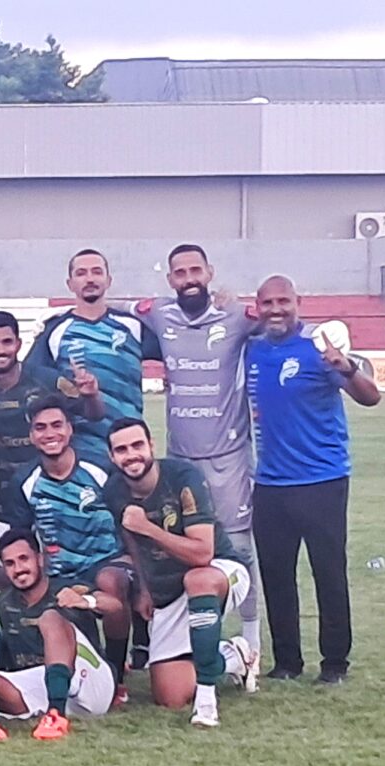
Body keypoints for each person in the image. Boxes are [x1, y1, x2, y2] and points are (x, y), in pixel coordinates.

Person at [245, 275, 382, 684]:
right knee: (276, 575)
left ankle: (335, 663)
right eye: (268, 302)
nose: (276, 309)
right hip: (270, 483)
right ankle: (287, 662)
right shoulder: (253, 349)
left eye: (283, 301)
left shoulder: (319, 347)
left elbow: (370, 397)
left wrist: (347, 367)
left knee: (328, 572)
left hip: (322, 480)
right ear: (258, 306)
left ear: (297, 303)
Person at [139, 243, 263, 653]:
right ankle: (186, 638)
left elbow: (278, 319)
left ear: (210, 273)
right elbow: (119, 310)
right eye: (180, 272)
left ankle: (251, 640)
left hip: (229, 457)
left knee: (239, 548)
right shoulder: (159, 314)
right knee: (181, 550)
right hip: (180, 459)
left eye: (196, 270)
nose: (189, 279)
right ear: (170, 279)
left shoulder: (237, 316)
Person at [104, 418, 257, 726]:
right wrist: (144, 589)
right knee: (169, 695)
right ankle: (231, 657)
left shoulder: (184, 477)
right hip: (171, 590)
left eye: (137, 445)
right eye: (121, 450)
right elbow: (131, 538)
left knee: (196, 578)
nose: (131, 455)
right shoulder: (114, 489)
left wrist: (149, 527)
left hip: (220, 571)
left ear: (151, 446)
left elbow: (203, 553)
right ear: (112, 456)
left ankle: (206, 703)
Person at [0, 530, 118, 742]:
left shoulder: (66, 588)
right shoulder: (6, 601)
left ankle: (56, 715)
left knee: (50, 617)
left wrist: (86, 601)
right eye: (10, 563)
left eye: (24, 559)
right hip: (44, 682)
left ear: (40, 559)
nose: (19, 569)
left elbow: (115, 605)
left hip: (90, 682)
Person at [11, 396, 135, 698]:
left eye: (57, 425)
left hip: (110, 561)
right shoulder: (24, 481)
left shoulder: (98, 468)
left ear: (70, 429)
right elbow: (20, 539)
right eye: (40, 428)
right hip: (61, 573)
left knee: (110, 582)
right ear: (31, 436)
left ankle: (116, 673)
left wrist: (141, 576)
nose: (49, 434)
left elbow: (129, 522)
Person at [0, 310, 103, 543]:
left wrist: (91, 396)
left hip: (58, 496)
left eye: (7, 342)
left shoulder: (48, 381)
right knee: (14, 563)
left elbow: (94, 415)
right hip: (7, 501)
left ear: (18, 344)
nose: (1, 350)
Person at [23, 248, 163, 458]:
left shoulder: (132, 326)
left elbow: (177, 354)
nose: (90, 279)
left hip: (129, 444)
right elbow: (27, 377)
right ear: (70, 284)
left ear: (108, 280)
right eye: (81, 273)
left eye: (97, 272)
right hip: (80, 447)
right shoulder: (55, 331)